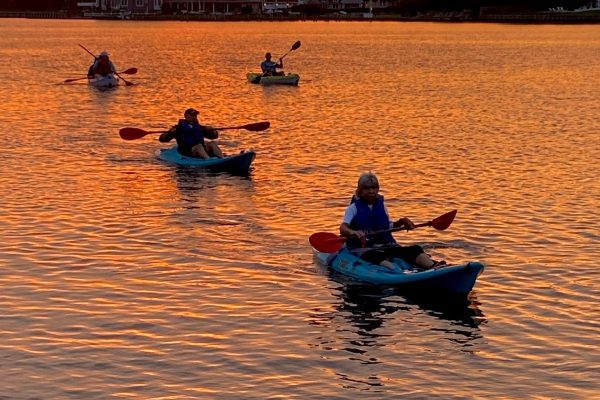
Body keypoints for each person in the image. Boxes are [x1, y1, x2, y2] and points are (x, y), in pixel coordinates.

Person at [339, 172, 446, 270]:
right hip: (364, 248)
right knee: (375, 255)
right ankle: (396, 273)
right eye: (367, 188)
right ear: (360, 191)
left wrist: (401, 222)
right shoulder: (353, 208)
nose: (371, 191)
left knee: (415, 249)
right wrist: (353, 232)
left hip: (386, 245)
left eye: (374, 188)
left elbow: (387, 226)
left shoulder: (381, 206)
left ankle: (432, 266)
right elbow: (343, 227)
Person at [158, 108, 224, 159]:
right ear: (186, 116)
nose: (194, 117)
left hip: (201, 150)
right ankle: (209, 161)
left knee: (212, 143)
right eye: (192, 115)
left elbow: (214, 136)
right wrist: (169, 133)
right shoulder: (178, 128)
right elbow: (162, 139)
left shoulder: (200, 128)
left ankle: (222, 158)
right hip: (187, 152)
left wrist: (211, 131)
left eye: (195, 115)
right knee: (199, 146)